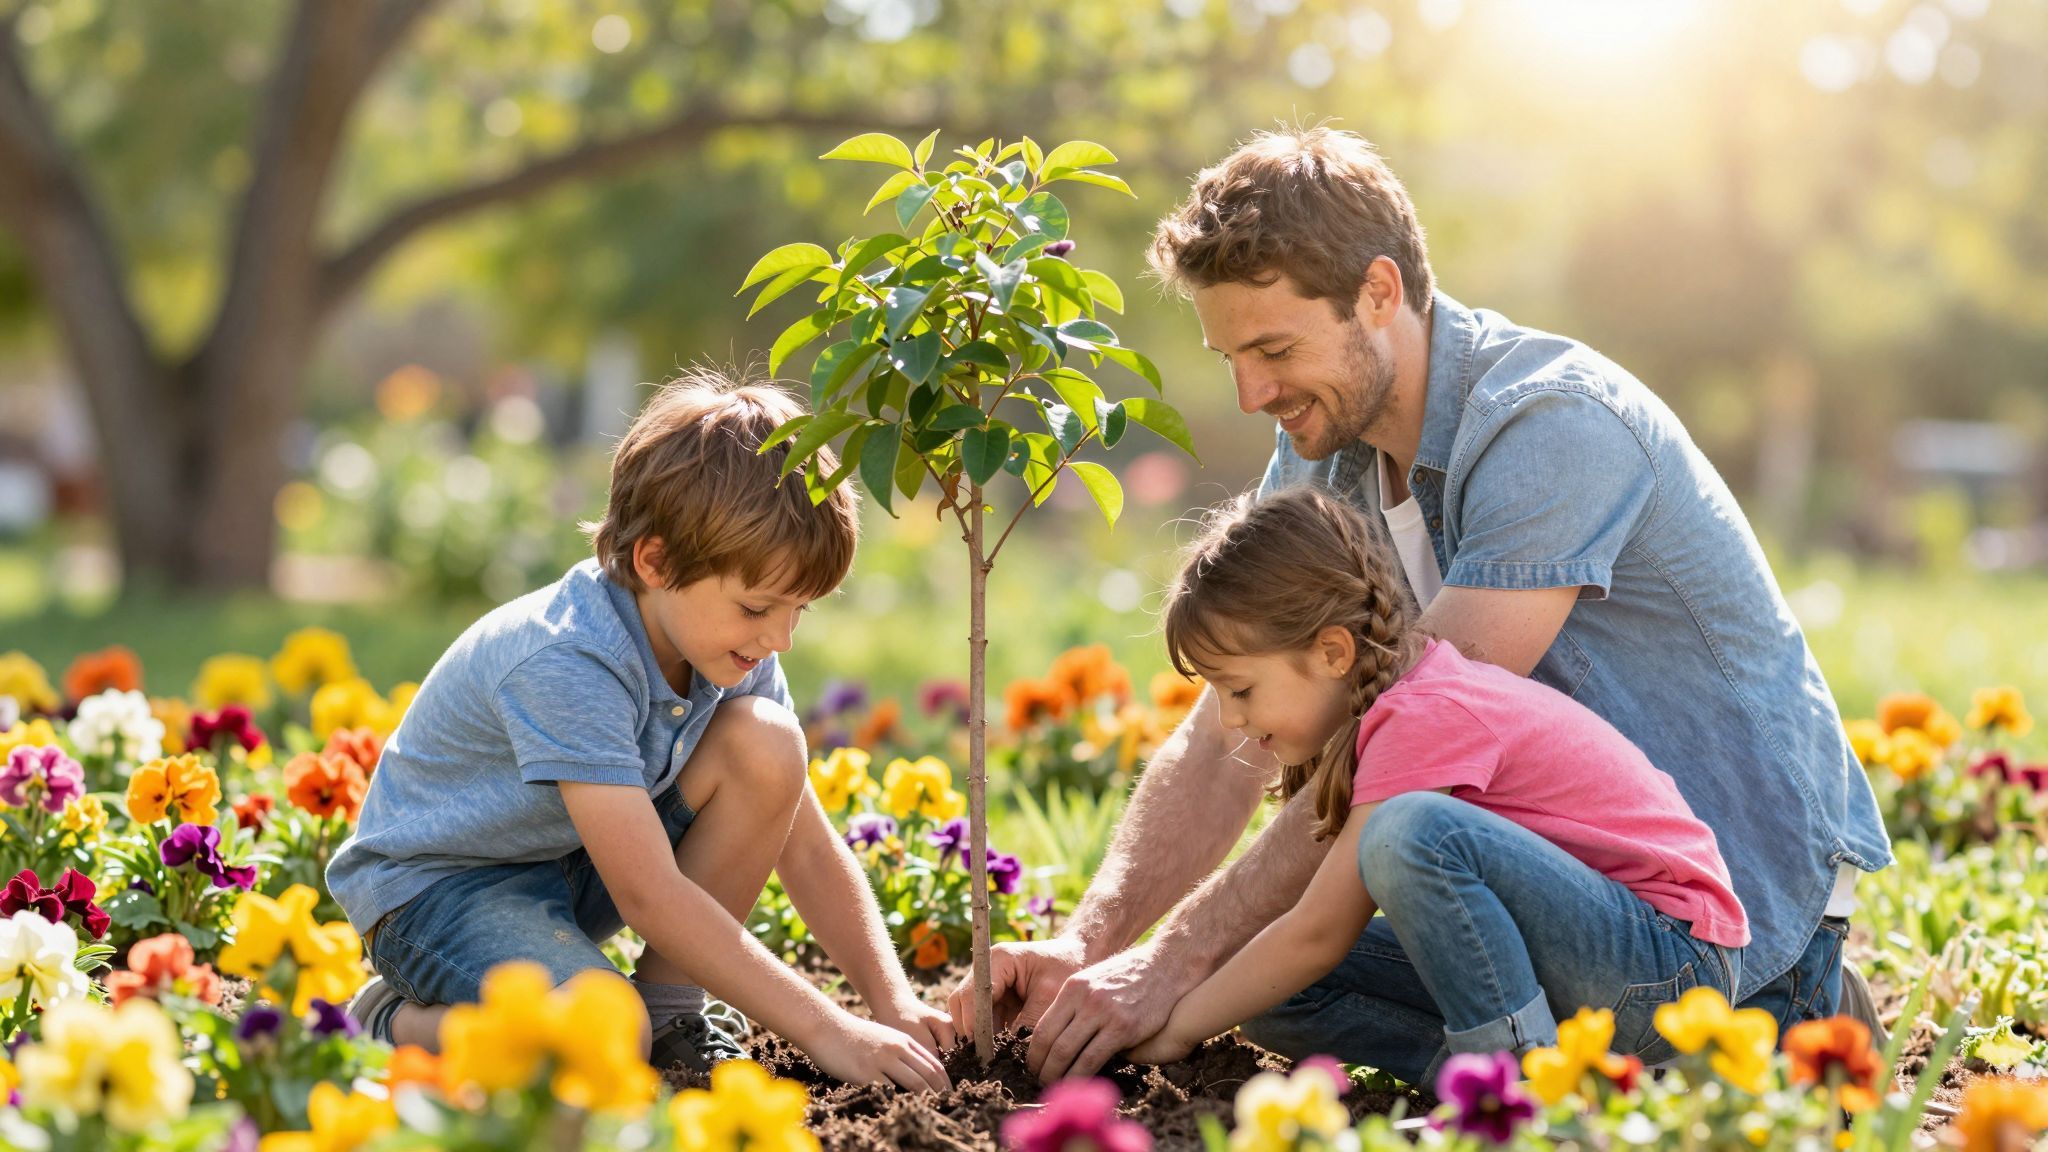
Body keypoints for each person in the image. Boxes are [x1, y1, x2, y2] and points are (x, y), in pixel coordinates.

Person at [951, 126, 1891, 1083]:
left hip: (1714, 924)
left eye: (1274, 348)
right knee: (1245, 972)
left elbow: (1381, 752)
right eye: (1231, 354)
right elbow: (1222, 737)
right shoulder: (1323, 444)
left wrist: (1172, 958)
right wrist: (1096, 945)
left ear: (1380, 292)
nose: (1249, 393)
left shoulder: (1553, 426)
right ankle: (1539, 1083)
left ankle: (1766, 1032)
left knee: (1333, 882)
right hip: (1535, 893)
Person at [330, 370, 951, 1088]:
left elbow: (806, 848)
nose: (780, 638)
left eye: (798, 611)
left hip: (567, 862)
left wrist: (892, 1002)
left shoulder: (720, 644)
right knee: (606, 1030)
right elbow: (648, 894)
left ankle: (671, 1011)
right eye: (758, 608)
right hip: (439, 894)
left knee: (768, 743)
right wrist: (828, 1030)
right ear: (654, 561)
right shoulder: (569, 659)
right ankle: (386, 1023)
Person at [1120, 486, 1745, 1077]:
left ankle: (1511, 1094)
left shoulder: (1428, 711)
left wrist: (1173, 1034)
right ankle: (1551, 1078)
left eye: (1241, 690)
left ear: (1334, 653)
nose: (1231, 718)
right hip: (1586, 964)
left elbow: (1317, 932)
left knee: (1411, 833)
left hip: (1668, 968)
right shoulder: (1393, 710)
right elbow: (1298, 951)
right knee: (1254, 985)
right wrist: (1191, 1007)